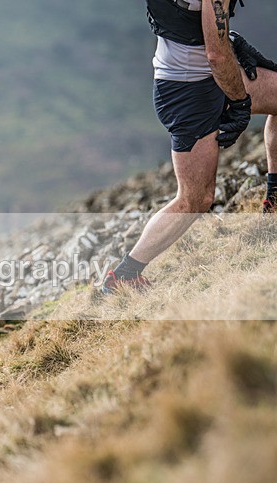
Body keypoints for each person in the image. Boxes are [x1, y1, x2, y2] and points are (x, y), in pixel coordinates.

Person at [103, 0, 277, 294]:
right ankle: (124, 276)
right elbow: (216, 55)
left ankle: (274, 201)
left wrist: (230, 40)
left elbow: (192, 23)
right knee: (195, 199)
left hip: (203, 75)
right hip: (189, 91)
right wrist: (240, 102)